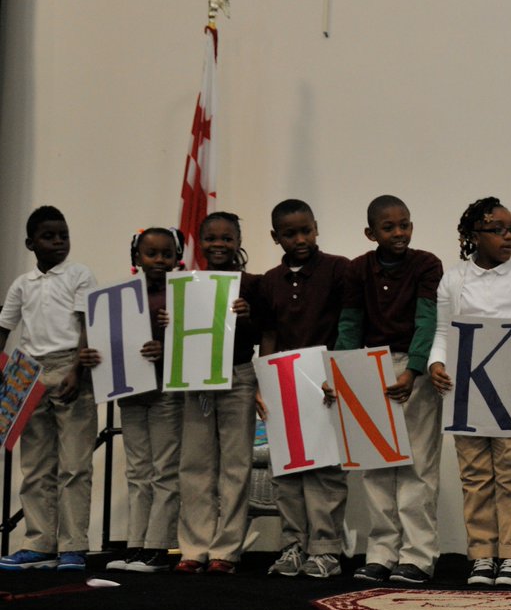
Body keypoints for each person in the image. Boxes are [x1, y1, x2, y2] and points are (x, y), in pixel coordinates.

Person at [428, 197, 511, 589]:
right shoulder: (454, 279)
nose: (508, 237)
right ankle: (482, 554)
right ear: (474, 235)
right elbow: (443, 331)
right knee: (475, 474)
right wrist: (437, 363)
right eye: (497, 230)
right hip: (466, 388)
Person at [336, 195, 444, 584]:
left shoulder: (426, 264)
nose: (399, 233)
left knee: (417, 466)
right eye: (389, 227)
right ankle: (381, 552)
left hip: (412, 370)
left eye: (405, 224)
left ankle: (417, 555)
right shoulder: (357, 269)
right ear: (371, 233)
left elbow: (428, 320)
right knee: (376, 467)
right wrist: (344, 372)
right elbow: (350, 323)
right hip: (369, 366)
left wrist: (414, 370)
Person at [0, 207, 98, 572]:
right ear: (30, 244)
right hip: (28, 371)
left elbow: (87, 323)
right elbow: (5, 326)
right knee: (35, 465)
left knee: (74, 465)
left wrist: (77, 369)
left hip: (70, 365)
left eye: (63, 236)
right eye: (48, 236)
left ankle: (73, 546)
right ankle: (39, 543)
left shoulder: (78, 274)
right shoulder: (22, 284)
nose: (58, 242)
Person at [257, 199, 351, 578]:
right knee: (287, 470)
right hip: (282, 382)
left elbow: (348, 325)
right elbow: (268, 333)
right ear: (275, 236)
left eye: (306, 231)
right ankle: (292, 545)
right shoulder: (269, 281)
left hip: (325, 382)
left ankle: (325, 549)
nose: (300, 239)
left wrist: (339, 372)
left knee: (326, 470)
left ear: (316, 228)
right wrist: (263, 381)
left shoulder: (338, 269)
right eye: (290, 233)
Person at [85, 228, 185, 573]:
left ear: (177, 258)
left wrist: (166, 347)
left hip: (166, 393)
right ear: (136, 257)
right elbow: (109, 340)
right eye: (151, 253)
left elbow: (197, 342)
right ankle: (136, 546)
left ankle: (159, 548)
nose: (159, 260)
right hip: (130, 393)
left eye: (167, 254)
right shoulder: (119, 297)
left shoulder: (182, 294)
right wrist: (94, 353)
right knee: (138, 471)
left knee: (165, 470)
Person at [174, 212, 260, 574]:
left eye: (227, 238)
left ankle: (226, 550)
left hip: (239, 376)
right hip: (197, 378)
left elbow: (265, 331)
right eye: (211, 238)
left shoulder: (252, 284)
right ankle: (194, 548)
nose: (219, 244)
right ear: (200, 242)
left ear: (238, 242)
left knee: (235, 466)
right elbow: (179, 337)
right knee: (195, 464)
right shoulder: (186, 284)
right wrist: (170, 323)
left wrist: (248, 315)